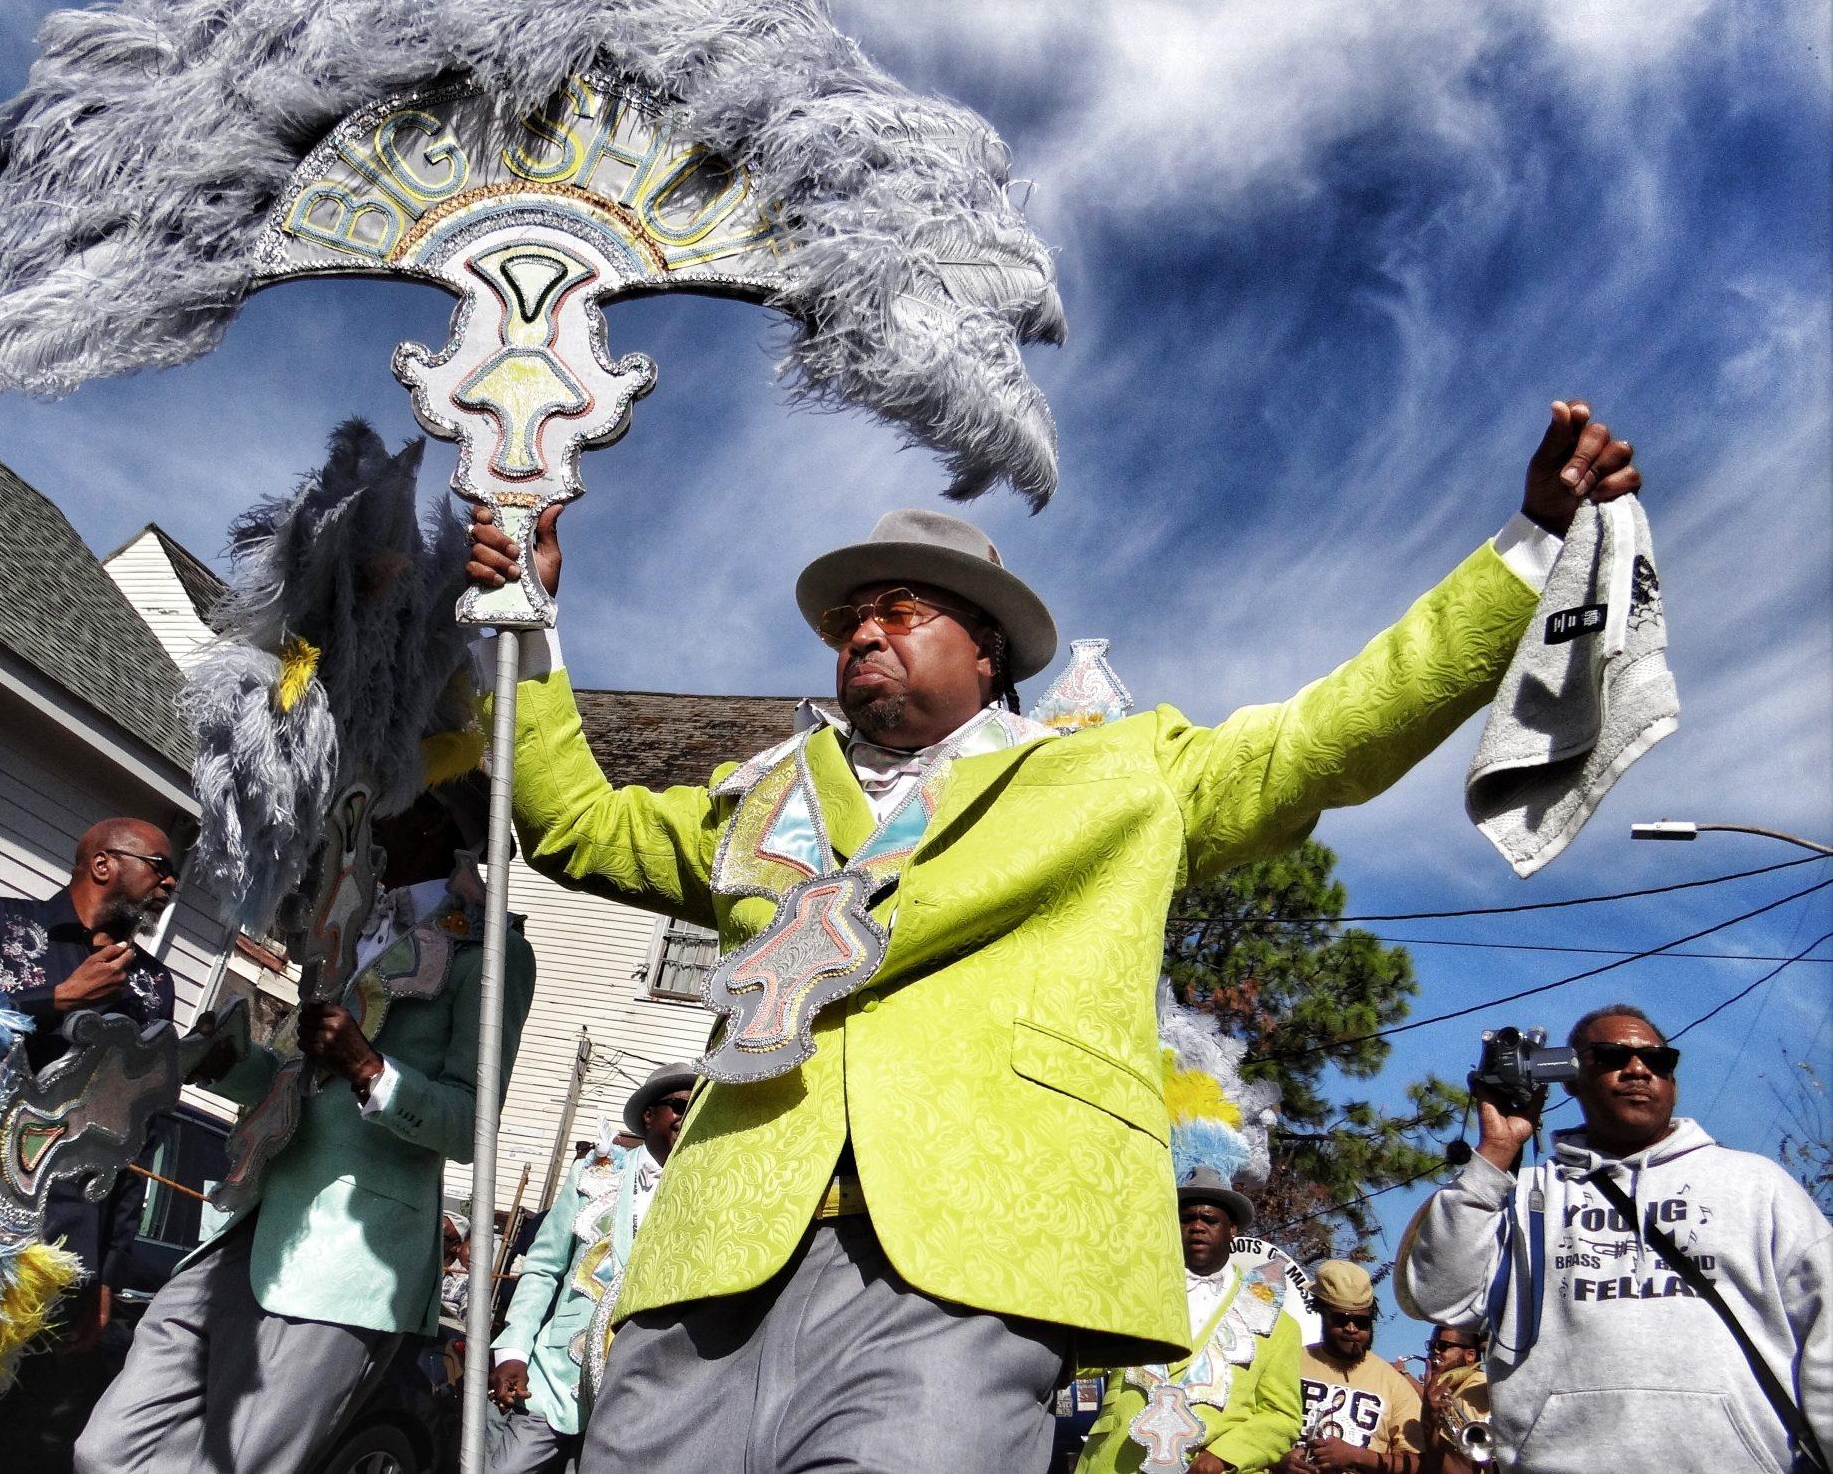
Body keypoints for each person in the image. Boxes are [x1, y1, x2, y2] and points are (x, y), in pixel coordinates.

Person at [467, 401, 1642, 1473]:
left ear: (986, 650)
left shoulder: (1110, 775)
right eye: (848, 620)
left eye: (899, 610)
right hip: (715, 1254)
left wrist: (1528, 549)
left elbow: (1323, 737)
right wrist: (527, 615)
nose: (862, 633)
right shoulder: (756, 797)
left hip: (966, 1263)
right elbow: (570, 821)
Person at [75, 794, 537, 1474]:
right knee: (107, 1447)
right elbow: (296, 1080)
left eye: (387, 805)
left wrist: (368, 1067)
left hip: (350, 1260)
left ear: (434, 817)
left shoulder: (491, 953)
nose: (365, 820)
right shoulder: (347, 930)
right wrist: (233, 1065)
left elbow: (470, 1126)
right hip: (252, 1227)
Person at [1397, 1003, 1832, 1474]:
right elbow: (1437, 1298)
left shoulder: (1757, 1186)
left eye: (1658, 1061)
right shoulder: (1523, 1195)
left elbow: (1825, 1337)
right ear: (1569, 1076)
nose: (1639, 1070)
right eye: (1611, 1057)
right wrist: (1495, 1155)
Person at [0, 816, 179, 1474]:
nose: (168, 882)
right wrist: (58, 997)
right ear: (104, 863)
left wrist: (109, 1267)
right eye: (158, 865)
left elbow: (136, 1129)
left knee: (6, 1437)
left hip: (64, 1244)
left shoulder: (151, 985)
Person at [488, 1064, 694, 1474]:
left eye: (698, 1108)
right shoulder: (594, 1173)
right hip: (553, 1378)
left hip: (636, 1397)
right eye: (678, 1106)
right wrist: (513, 1351)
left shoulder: (704, 1190)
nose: (687, 1118)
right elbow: (544, 1267)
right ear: (649, 1116)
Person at [1077, 1167, 1304, 1474]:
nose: (1197, 1227)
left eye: (1209, 1219)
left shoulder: (1278, 1325)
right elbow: (1075, 1357)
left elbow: (1281, 1416)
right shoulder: (1133, 1294)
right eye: (1186, 1219)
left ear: (1232, 1229)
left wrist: (1223, 1456)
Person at [1278, 1262, 1422, 1474]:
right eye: (1341, 1320)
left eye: (1361, 1322)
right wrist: (1280, 1462)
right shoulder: (1288, 1363)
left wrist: (1356, 1456)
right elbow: (1248, 1431)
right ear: (1321, 1313)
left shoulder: (1394, 1384)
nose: (1352, 1329)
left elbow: (1419, 1464)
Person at [1415, 1327, 1490, 1474]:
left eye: (1443, 1346)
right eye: (1431, 1346)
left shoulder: (1475, 1389)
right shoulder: (1451, 1391)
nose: (1435, 1351)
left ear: (1470, 1355)